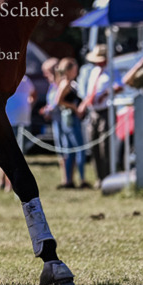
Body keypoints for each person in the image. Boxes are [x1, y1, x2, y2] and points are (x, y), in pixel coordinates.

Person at [77, 43, 122, 188]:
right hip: (93, 112)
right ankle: (99, 177)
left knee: (105, 146)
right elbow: (90, 92)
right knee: (93, 145)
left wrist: (106, 93)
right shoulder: (94, 71)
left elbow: (120, 86)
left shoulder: (113, 71)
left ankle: (107, 177)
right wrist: (84, 104)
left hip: (105, 111)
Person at [54, 58, 90, 188]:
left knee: (70, 150)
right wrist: (74, 107)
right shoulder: (66, 83)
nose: (76, 71)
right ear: (69, 70)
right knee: (79, 148)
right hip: (70, 119)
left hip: (68, 119)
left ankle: (69, 180)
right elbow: (58, 101)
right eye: (74, 69)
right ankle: (82, 179)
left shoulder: (69, 83)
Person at [0, 74, 36, 192]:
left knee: (15, 155)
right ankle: (4, 182)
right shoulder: (3, 78)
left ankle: (6, 182)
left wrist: (29, 106)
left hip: (22, 123)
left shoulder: (25, 79)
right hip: (8, 121)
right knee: (7, 153)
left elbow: (34, 94)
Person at [39, 57, 69, 187]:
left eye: (46, 72)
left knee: (66, 150)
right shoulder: (52, 86)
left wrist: (48, 110)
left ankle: (68, 179)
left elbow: (57, 103)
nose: (44, 75)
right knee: (60, 151)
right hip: (56, 121)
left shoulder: (61, 84)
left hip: (65, 121)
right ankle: (64, 179)